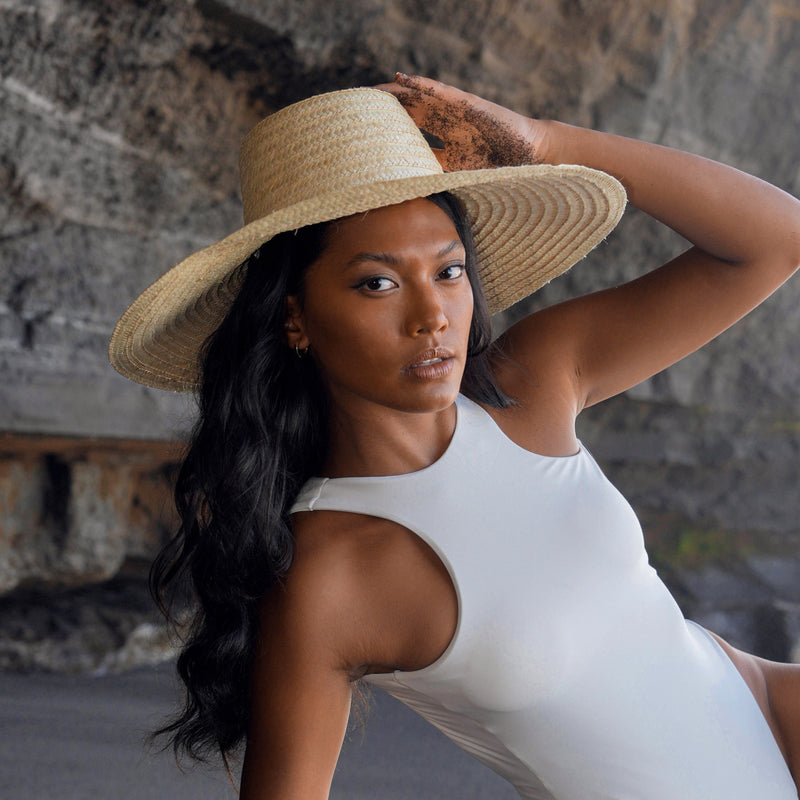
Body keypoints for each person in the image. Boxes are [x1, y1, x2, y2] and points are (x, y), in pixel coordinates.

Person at [109, 74, 800, 799]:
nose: (432, 316)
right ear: (296, 319)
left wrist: (546, 140)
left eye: (449, 271)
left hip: (773, 714)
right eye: (377, 283)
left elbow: (774, 240)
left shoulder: (531, 385)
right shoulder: (330, 575)